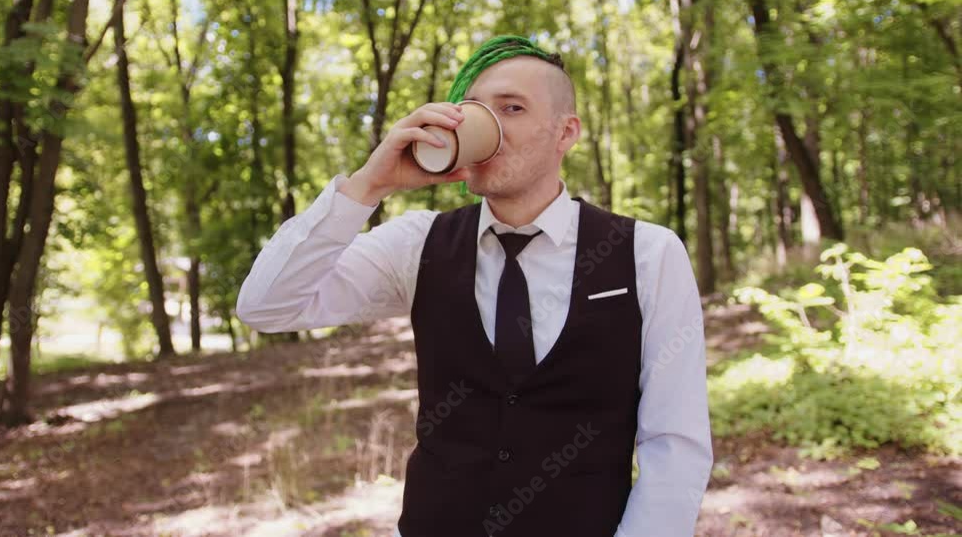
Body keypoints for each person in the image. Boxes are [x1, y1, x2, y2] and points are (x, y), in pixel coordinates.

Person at [236, 35, 713, 537]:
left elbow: (674, 446)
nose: (488, 125)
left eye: (512, 108)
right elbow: (266, 306)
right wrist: (367, 186)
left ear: (564, 132)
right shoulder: (418, 243)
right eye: (476, 109)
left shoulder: (646, 253)